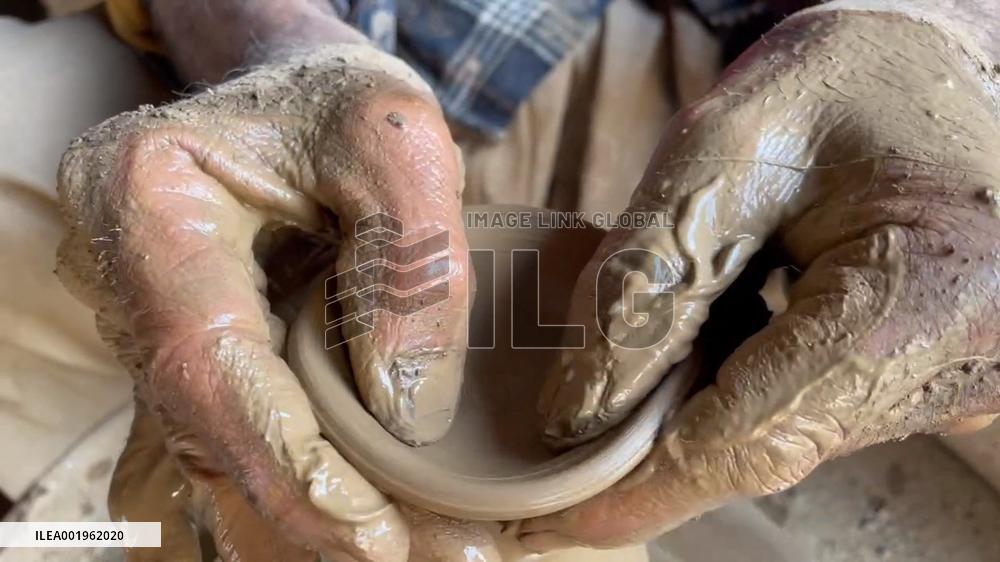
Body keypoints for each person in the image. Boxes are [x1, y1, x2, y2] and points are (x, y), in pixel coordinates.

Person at [45, 0, 1000, 560]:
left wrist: (958, 48)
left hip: (790, 99)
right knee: (69, 194)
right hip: (333, 73)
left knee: (936, 339)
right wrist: (274, 40)